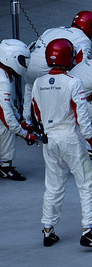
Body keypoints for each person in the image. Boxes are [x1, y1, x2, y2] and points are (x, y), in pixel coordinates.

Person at [31, 38, 92, 251]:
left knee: (53, 186)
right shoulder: (73, 82)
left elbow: (36, 112)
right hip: (70, 139)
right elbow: (82, 118)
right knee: (85, 184)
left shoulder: (38, 83)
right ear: (69, 57)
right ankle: (88, 232)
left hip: (49, 139)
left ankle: (48, 230)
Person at [23, 11, 92, 123]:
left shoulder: (52, 30)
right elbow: (83, 66)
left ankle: (27, 121)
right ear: (91, 29)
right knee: (75, 82)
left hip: (27, 67)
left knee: (30, 86)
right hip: (48, 69)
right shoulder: (83, 39)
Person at [0, 39, 39, 181]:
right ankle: (5, 166)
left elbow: (7, 104)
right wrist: (25, 135)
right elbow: (6, 116)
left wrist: (22, 121)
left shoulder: (3, 74)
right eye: (23, 60)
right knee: (7, 126)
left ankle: (4, 166)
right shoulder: (3, 80)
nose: (25, 65)